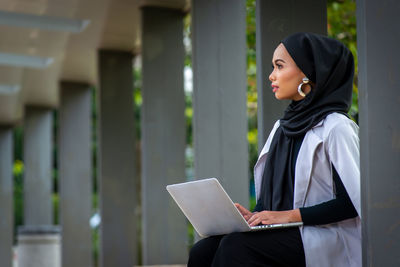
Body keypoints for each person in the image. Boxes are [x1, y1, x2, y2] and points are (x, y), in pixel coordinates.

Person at [187, 32, 361, 267]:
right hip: (285, 231)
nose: (271, 75)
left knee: (236, 248)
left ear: (309, 73)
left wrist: (288, 216)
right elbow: (273, 197)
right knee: (203, 250)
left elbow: (352, 202)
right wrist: (254, 216)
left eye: (279, 66)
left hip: (326, 236)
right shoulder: (282, 128)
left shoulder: (337, 127)